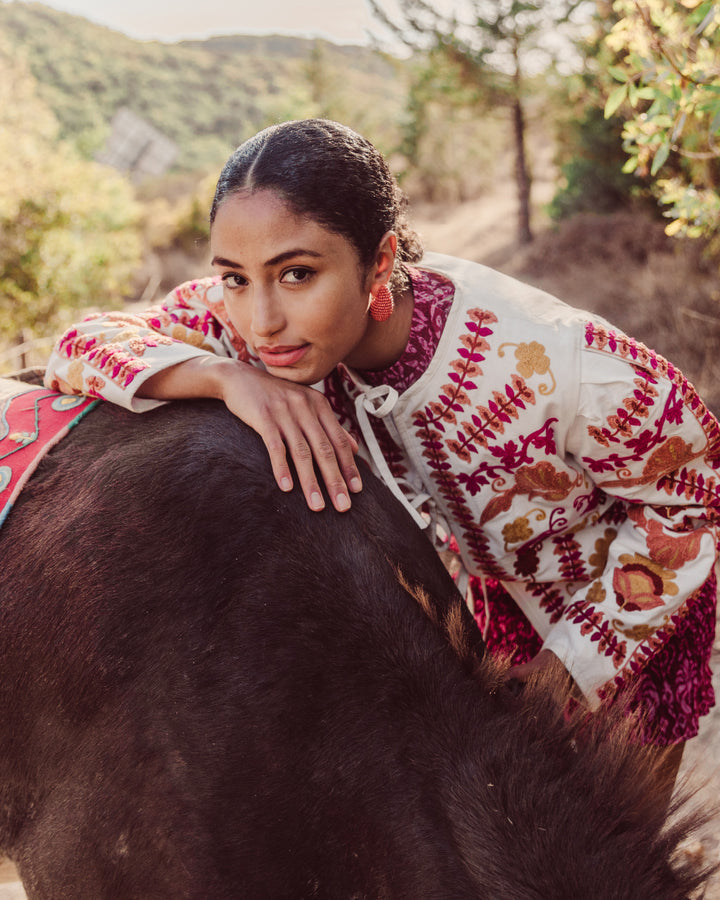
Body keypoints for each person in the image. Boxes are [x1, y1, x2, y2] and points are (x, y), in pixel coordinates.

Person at [45, 118, 719, 758]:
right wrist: (223, 377)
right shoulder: (245, 326)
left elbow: (693, 499)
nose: (261, 320)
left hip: (616, 624)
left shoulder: (559, 365)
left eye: (297, 273)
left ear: (381, 260)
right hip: (474, 626)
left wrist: (567, 669)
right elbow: (81, 345)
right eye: (234, 278)